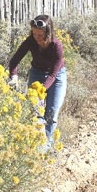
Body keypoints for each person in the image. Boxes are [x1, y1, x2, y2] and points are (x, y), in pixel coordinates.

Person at [8, 14, 67, 151]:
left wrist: (42, 89)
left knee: (51, 113)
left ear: (48, 32)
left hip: (57, 76)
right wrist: (13, 76)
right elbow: (14, 60)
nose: (37, 37)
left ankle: (46, 147)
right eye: (34, 33)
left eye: (40, 34)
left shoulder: (56, 46)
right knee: (34, 112)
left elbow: (53, 74)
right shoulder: (30, 41)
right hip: (37, 73)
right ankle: (36, 146)